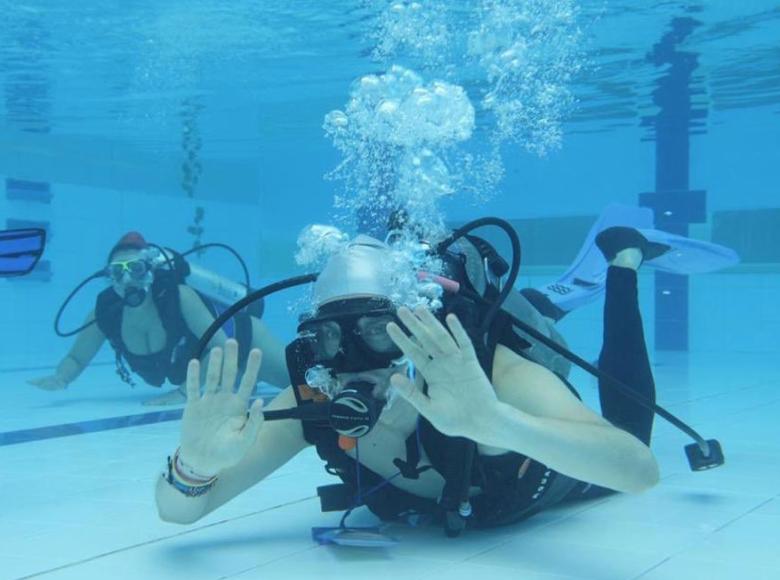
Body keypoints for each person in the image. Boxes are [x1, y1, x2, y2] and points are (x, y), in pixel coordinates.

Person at [155, 224, 663, 533]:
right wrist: (194, 466)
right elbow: (177, 512)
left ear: (416, 327)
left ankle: (623, 262)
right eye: (332, 339)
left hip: (543, 481)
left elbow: (639, 470)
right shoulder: (317, 396)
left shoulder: (490, 377)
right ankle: (546, 301)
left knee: (629, 422)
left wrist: (498, 424)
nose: (354, 358)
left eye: (379, 332)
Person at [28, 232, 289, 406]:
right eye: (119, 273)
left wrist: (184, 393)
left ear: (151, 272)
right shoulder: (105, 313)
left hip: (245, 341)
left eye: (137, 269)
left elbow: (221, 346)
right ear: (110, 279)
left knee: (300, 386)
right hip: (215, 369)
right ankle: (243, 378)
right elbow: (77, 357)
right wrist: (61, 378)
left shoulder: (179, 297)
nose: (129, 280)